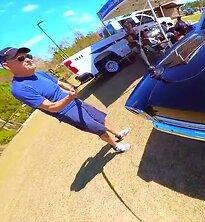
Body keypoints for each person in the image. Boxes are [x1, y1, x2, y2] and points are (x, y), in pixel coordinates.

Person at [0, 47, 131, 153]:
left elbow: (59, 83)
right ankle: (116, 146)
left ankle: (118, 134)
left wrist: (70, 87)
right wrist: (70, 97)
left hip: (74, 101)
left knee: (99, 117)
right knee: (96, 127)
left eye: (28, 56)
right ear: (7, 66)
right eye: (21, 58)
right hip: (65, 111)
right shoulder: (19, 89)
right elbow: (51, 107)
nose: (28, 60)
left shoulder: (38, 73)